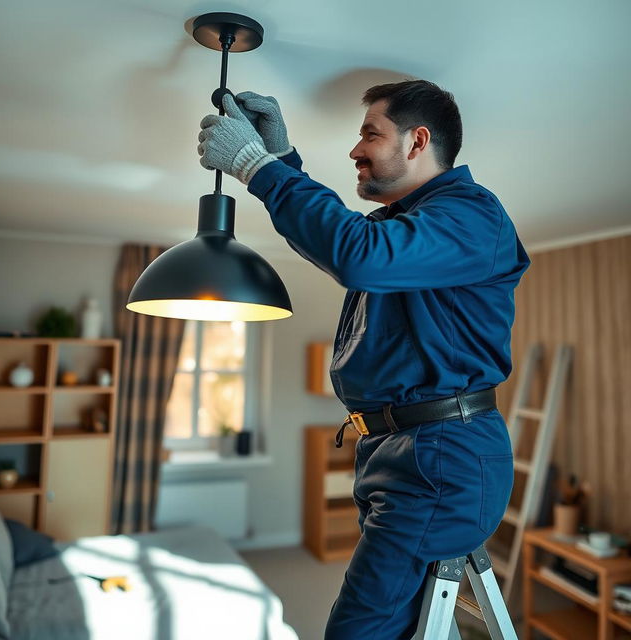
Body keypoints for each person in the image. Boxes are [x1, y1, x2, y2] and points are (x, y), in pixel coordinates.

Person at [198, 80, 530, 639]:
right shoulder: (406, 227)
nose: (355, 150)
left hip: (441, 457)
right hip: (398, 451)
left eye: (370, 134)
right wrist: (283, 161)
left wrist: (257, 165)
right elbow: (344, 242)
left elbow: (357, 255)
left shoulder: (473, 216)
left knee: (358, 629)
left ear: (418, 140)